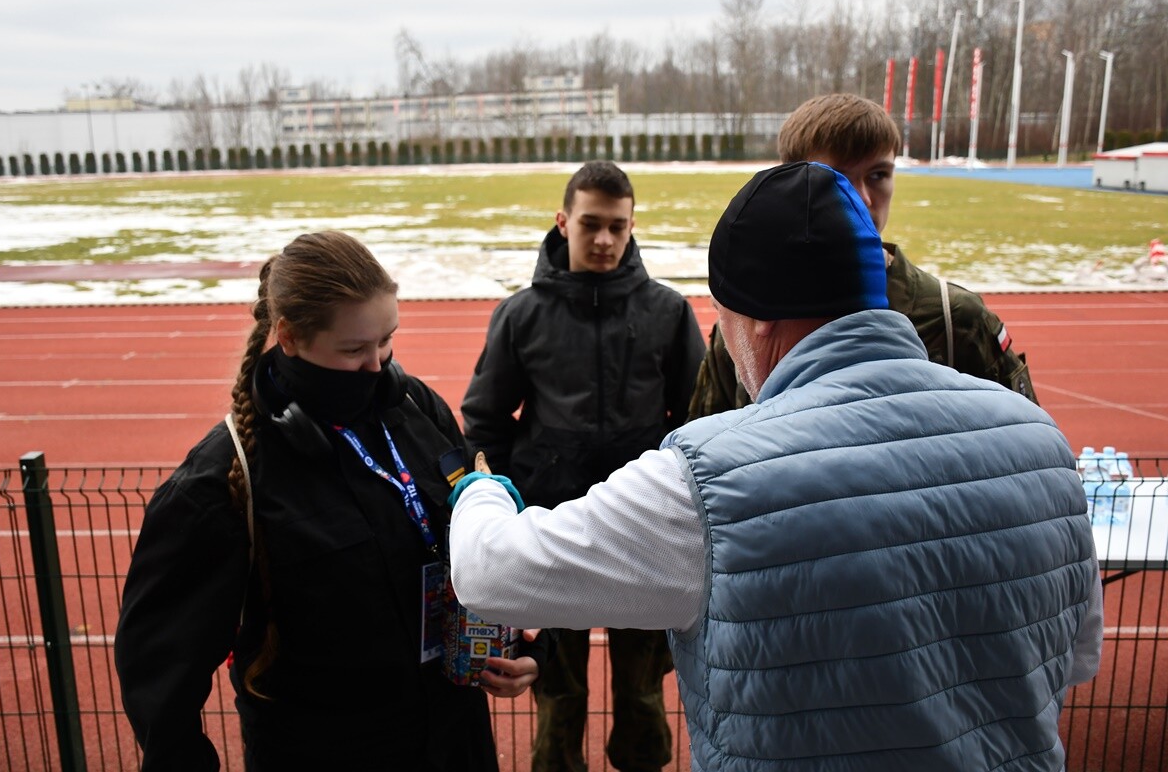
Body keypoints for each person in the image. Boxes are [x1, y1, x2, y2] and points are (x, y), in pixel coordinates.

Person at [449, 162, 1103, 771]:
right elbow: (1075, 658)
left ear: (754, 322)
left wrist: (482, 488)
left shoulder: (707, 478)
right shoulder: (1041, 442)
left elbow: (488, 570)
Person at [114, 231, 541, 771]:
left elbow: (474, 543)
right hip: (324, 751)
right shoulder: (221, 480)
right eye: (354, 349)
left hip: (456, 741)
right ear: (289, 338)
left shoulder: (418, 409)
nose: (378, 363)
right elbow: (160, 672)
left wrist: (524, 647)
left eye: (387, 340)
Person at [459, 160, 705, 772]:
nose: (603, 240)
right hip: (554, 533)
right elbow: (485, 422)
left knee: (646, 698)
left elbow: (699, 418)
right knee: (557, 699)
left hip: (646, 533)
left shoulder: (668, 312)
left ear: (631, 226)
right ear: (563, 221)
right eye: (590, 224)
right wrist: (510, 498)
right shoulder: (521, 315)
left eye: (616, 227)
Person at [688, 92, 1038, 422]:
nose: (863, 198)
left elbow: (1025, 446)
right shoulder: (750, 327)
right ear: (790, 181)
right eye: (835, 178)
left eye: (878, 175)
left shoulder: (954, 319)